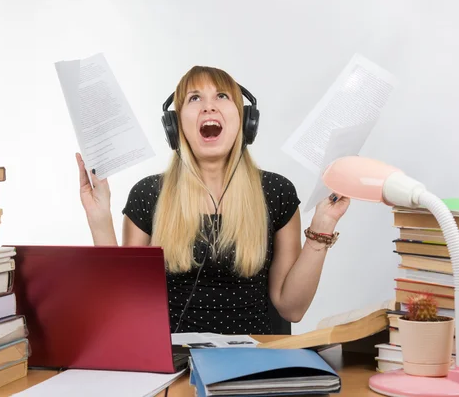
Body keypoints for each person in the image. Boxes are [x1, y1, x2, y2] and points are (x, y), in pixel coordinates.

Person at [75, 66, 350, 334]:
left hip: (254, 365)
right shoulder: (148, 194)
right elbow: (126, 308)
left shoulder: (276, 192)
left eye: (222, 96)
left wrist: (323, 226)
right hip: (174, 364)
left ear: (245, 119)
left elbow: (292, 309)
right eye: (194, 98)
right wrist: (99, 219)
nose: (209, 107)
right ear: (175, 124)